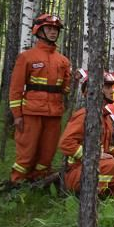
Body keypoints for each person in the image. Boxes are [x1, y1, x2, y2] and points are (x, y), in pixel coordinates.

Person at [9, 14, 71, 183]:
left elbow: (65, 89)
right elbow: (15, 89)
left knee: (47, 152)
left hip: (54, 113)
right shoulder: (26, 57)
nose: (53, 32)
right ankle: (17, 183)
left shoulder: (63, 61)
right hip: (31, 113)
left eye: (55, 30)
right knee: (26, 152)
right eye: (49, 29)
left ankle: (39, 182)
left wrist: (73, 81)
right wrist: (17, 115)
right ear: (39, 30)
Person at [59, 71, 114, 196]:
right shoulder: (84, 115)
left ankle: (101, 195)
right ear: (94, 90)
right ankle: (90, 198)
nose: (112, 91)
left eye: (111, 87)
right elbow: (65, 144)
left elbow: (103, 149)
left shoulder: (105, 117)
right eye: (107, 87)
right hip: (77, 170)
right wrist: (93, 155)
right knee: (112, 163)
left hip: (96, 168)